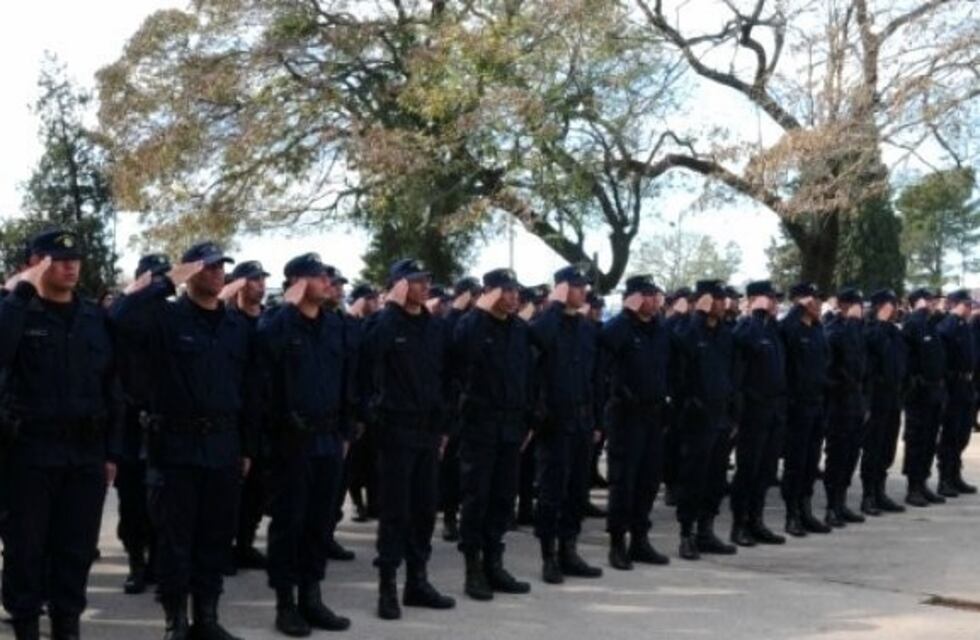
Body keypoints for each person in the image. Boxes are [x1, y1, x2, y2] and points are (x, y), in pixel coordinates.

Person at [111, 241, 257, 640]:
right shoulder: (166, 318)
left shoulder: (234, 326)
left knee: (214, 540)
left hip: (223, 448)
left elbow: (248, 390)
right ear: (190, 273)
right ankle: (175, 620)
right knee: (175, 543)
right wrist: (164, 282)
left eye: (220, 267)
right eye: (207, 268)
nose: (216, 273)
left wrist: (246, 447)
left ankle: (207, 618)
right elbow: (119, 321)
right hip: (175, 448)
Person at [0, 230, 118, 640]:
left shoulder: (92, 317)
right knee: (26, 551)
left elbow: (112, 386)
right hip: (29, 452)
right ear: (35, 263)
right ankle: (27, 628)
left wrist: (111, 451)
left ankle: (67, 627)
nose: (69, 265)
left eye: (75, 258)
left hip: (84, 452)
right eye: (57, 258)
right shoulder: (15, 312)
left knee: (76, 549)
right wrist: (18, 296)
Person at [256, 253, 352, 636]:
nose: (328, 281)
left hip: (328, 439)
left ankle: (312, 597)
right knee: (289, 524)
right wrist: (286, 305)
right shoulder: (277, 324)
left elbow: (347, 377)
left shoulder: (333, 326)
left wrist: (346, 429)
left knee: (319, 522)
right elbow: (263, 349)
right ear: (297, 281)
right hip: (291, 442)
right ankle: (285, 604)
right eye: (319, 276)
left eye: (329, 275)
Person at [365, 258, 455, 621]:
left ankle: (417, 581)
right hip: (395, 431)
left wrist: (444, 425)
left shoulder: (434, 328)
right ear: (399, 285)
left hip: (428, 432)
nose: (424, 286)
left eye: (426, 280)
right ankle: (387, 585)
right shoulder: (384, 323)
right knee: (395, 512)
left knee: (423, 509)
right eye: (415, 281)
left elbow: (448, 376)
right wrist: (390, 306)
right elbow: (369, 355)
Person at [452, 268, 533, 600]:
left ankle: (494, 563)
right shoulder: (472, 325)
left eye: (516, 291)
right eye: (506, 290)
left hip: (511, 426)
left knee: (503, 498)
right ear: (489, 293)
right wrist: (478, 310)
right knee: (476, 498)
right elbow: (455, 353)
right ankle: (473, 569)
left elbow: (529, 375)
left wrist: (528, 421)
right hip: (479, 426)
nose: (514, 297)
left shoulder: (519, 329)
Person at [528, 266, 604, 584]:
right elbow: (534, 343)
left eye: (584, 285)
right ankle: (548, 555)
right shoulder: (546, 324)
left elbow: (596, 377)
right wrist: (555, 306)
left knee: (576, 490)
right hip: (554, 422)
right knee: (551, 491)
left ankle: (569, 550)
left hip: (582, 420)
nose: (583, 290)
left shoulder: (586, 329)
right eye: (575, 286)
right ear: (561, 289)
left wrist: (597, 419)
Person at [599, 275, 672, 571]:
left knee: (648, 480)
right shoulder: (619, 328)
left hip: (653, 414)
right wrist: (626, 313)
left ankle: (640, 540)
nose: (656, 301)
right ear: (634, 298)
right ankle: (618, 543)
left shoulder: (658, 329)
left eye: (657, 295)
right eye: (649, 295)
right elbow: (603, 344)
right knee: (623, 482)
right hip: (626, 415)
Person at [115, 254, 170, 595]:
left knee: (163, 503)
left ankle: (157, 563)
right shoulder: (126, 311)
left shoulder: (172, 314)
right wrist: (141, 291)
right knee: (132, 503)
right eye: (157, 277)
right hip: (131, 424)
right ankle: (137, 561)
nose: (164, 282)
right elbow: (119, 317)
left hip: (164, 421)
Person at [672, 280, 739, 561]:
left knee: (715, 478)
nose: (725, 303)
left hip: (721, 416)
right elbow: (676, 353)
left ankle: (706, 530)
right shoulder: (688, 330)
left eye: (725, 299)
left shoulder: (725, 334)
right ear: (704, 301)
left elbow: (734, 373)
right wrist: (694, 315)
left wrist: (734, 413)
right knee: (693, 478)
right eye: (718, 298)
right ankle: (686, 534)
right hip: (696, 418)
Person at [220, 260, 272, 572]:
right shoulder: (227, 320)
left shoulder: (270, 320)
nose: (260, 285)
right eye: (253, 280)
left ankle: (246, 543)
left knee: (258, 490)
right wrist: (228, 293)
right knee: (231, 490)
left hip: (264, 415)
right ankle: (224, 546)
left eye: (262, 279)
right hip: (235, 413)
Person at [730, 281, 787, 547]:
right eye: (770, 299)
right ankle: (739, 524)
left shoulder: (774, 329)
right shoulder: (746, 326)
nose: (775, 303)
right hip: (753, 410)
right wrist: (755, 313)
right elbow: (744, 344)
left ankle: (757, 520)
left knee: (765, 471)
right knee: (748, 470)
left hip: (774, 410)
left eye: (776, 299)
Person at [779, 283, 832, 536]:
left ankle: (806, 509)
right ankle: (791, 514)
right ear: (800, 302)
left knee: (811, 462)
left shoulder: (818, 329)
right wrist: (795, 310)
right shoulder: (790, 327)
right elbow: (783, 332)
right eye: (813, 300)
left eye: (820, 299)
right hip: (797, 405)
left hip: (817, 403)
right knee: (795, 462)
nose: (818, 304)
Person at [440, 277, 481, 543]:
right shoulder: (454, 321)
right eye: (474, 295)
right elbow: (448, 342)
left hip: (475, 406)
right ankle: (449, 518)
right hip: (452, 406)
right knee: (451, 469)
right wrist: (456, 309)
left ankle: (468, 517)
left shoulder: (480, 321)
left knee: (471, 471)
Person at [823, 287, 868, 528]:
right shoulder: (835, 331)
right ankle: (831, 506)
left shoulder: (858, 330)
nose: (860, 309)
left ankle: (841, 502)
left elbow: (864, 366)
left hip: (856, 401)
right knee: (838, 454)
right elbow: (846, 362)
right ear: (842, 305)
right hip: (839, 402)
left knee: (852, 454)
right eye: (854, 304)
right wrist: (851, 324)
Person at [860, 289, 908, 515]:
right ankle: (868, 495)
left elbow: (900, 361)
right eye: (891, 305)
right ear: (880, 307)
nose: (895, 309)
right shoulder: (870, 329)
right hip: (877, 396)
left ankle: (880, 491)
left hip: (893, 396)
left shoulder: (893, 331)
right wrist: (880, 322)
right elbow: (875, 350)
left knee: (887, 448)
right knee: (873, 447)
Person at [902, 288, 949, 507]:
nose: (933, 304)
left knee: (930, 440)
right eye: (929, 301)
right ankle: (913, 488)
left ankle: (922, 483)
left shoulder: (931, 324)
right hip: (918, 394)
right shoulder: (914, 323)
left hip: (934, 392)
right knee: (917, 441)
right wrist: (919, 311)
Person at [936, 289, 978, 497]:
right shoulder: (948, 324)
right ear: (956, 304)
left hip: (967, 386)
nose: (971, 308)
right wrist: (954, 314)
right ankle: (945, 479)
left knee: (962, 434)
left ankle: (955, 474)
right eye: (967, 305)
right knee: (950, 434)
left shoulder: (966, 326)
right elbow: (943, 340)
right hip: (953, 386)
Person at [346, 284, 382, 523]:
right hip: (355, 402)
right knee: (354, 464)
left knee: (374, 461)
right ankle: (358, 503)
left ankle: (373, 503)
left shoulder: (380, 324)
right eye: (369, 298)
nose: (375, 302)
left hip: (375, 402)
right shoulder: (350, 325)